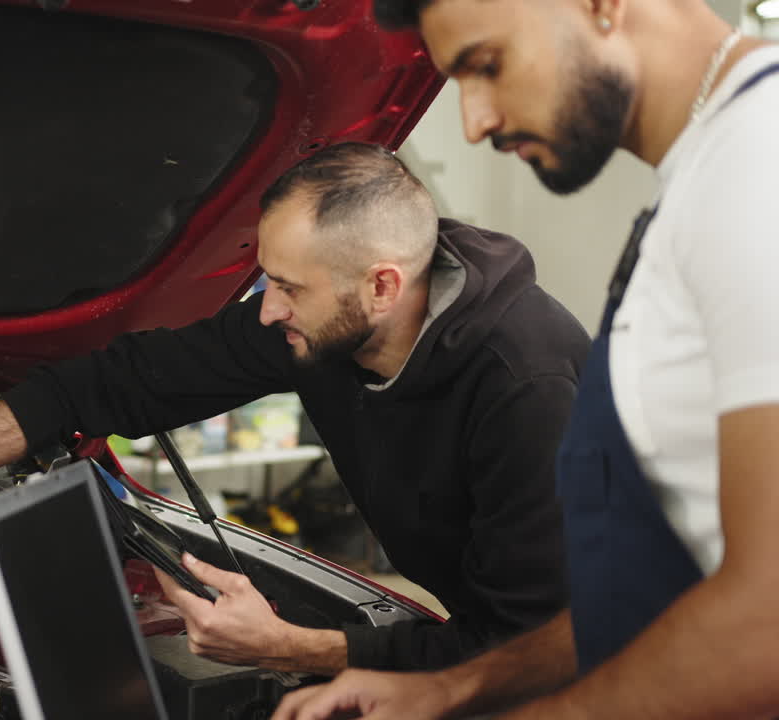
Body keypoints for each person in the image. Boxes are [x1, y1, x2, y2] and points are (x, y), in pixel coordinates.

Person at [0, 141, 590, 673]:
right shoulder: (316, 325)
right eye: (268, 278)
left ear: (382, 286)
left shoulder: (523, 386)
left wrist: (291, 647)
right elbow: (106, 384)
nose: (266, 309)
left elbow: (529, 647)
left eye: (289, 288)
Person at [271, 0, 779, 718]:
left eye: (487, 65)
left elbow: (768, 620)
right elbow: (653, 591)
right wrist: (450, 687)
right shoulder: (704, 185)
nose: (475, 122)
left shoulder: (759, 174)